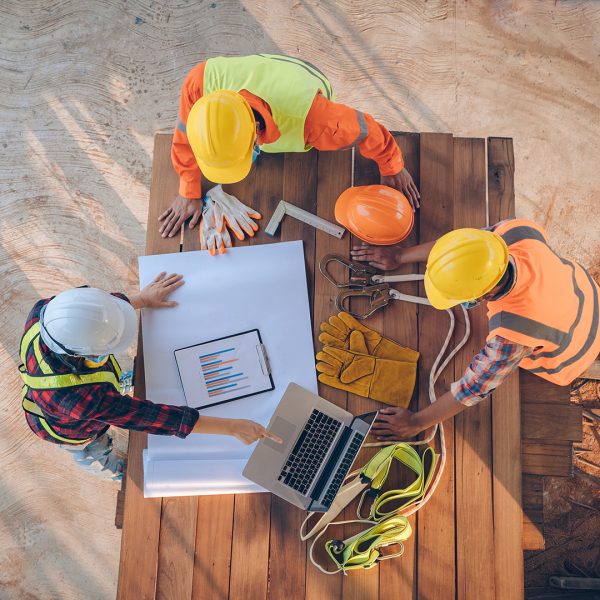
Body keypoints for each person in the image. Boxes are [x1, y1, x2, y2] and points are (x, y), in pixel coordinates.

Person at [349, 219, 600, 441]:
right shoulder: (514, 232)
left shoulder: (511, 334)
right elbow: (461, 249)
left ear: (486, 294)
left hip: (575, 351)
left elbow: (474, 387)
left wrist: (416, 423)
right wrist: (401, 256)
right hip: (588, 296)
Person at [19, 272, 281, 480]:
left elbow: (96, 311)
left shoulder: (47, 312)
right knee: (95, 455)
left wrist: (141, 300)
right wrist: (232, 427)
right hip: (72, 431)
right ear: (83, 354)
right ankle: (115, 472)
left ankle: (118, 388)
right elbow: (151, 418)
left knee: (109, 390)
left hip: (60, 395)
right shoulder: (83, 401)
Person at [158, 53, 420, 239]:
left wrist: (391, 166)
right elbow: (183, 139)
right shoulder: (200, 84)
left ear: (256, 136)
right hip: (263, 79)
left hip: (302, 82)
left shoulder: (318, 123)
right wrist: (188, 189)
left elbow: (367, 129)